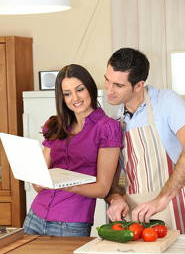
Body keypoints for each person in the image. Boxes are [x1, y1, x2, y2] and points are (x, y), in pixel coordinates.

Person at [23, 64, 122, 237]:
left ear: (89, 88)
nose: (74, 98)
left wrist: (66, 184)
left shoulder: (107, 128)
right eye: (67, 94)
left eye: (80, 89)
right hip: (34, 217)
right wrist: (37, 179)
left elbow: (102, 189)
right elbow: (38, 184)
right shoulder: (54, 125)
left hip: (71, 223)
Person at [104, 47, 185, 233]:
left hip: (173, 206)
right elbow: (116, 178)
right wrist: (116, 198)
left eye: (118, 85)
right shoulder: (118, 118)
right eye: (107, 80)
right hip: (137, 214)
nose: (109, 90)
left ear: (139, 85)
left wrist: (161, 199)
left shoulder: (166, 102)